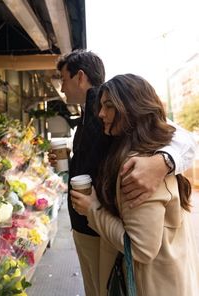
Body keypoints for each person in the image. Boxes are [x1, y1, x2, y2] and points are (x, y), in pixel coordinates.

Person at [49, 50, 196, 296]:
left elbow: (182, 137)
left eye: (64, 79)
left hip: (103, 233)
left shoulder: (139, 164)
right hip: (99, 230)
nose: (62, 87)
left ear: (80, 77)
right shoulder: (91, 116)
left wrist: (163, 161)